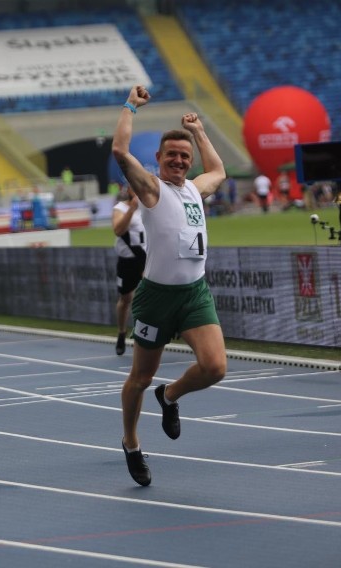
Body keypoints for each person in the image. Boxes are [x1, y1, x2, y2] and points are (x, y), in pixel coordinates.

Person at [112, 85, 227, 486]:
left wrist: (198, 132)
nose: (178, 161)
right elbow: (119, 152)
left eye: (184, 157)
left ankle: (171, 396)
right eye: (171, 156)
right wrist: (130, 106)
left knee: (215, 368)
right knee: (140, 378)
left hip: (194, 293)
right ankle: (130, 442)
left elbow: (219, 172)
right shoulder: (151, 189)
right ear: (158, 160)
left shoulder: (195, 188)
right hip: (157, 298)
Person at [112, 186, 147, 356]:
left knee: (153, 296)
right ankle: (121, 333)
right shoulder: (121, 208)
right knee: (126, 299)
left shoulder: (148, 207)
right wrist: (132, 209)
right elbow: (118, 230)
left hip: (147, 258)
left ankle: (148, 335)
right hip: (128, 260)